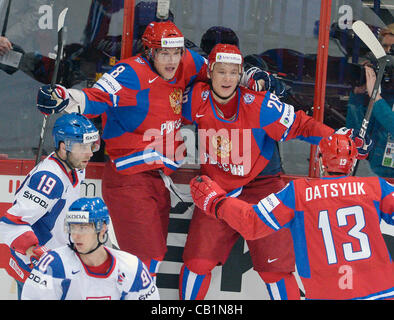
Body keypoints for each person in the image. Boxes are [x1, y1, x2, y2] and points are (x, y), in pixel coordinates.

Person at [35, 21, 270, 282]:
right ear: (150, 52)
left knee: (153, 256)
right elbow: (95, 97)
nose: (171, 61)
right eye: (163, 53)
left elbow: (219, 69)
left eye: (176, 53)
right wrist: (65, 97)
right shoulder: (130, 72)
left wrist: (251, 77)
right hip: (129, 178)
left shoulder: (187, 61)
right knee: (142, 259)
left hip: (157, 179)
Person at [179, 43, 372, 300]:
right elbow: (160, 113)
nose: (227, 79)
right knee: (197, 262)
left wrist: (338, 139)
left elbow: (303, 126)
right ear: (210, 71)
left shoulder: (261, 106)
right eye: (221, 72)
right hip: (217, 189)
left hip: (262, 188)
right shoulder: (194, 99)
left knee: (276, 270)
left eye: (233, 73)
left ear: (241, 75)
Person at [190, 133, 394, 300]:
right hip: (383, 292)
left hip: (327, 294)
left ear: (320, 159)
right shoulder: (376, 188)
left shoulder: (299, 193)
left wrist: (216, 202)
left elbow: (251, 222)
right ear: (352, 162)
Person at [0, 112, 99, 299]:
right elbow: (9, 224)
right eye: (83, 146)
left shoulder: (76, 167)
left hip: (59, 264)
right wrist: (37, 251)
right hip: (38, 272)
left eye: (92, 145)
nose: (90, 152)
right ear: (63, 147)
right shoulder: (50, 179)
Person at [21, 197, 159, 300]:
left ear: (103, 229)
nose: (75, 235)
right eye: (72, 227)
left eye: (83, 228)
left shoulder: (132, 267)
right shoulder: (54, 265)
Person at [346, 25, 394, 178]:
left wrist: (376, 98)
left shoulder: (381, 98)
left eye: (392, 49)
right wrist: (359, 94)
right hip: (372, 172)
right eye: (384, 47)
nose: (387, 54)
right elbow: (355, 131)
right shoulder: (382, 90)